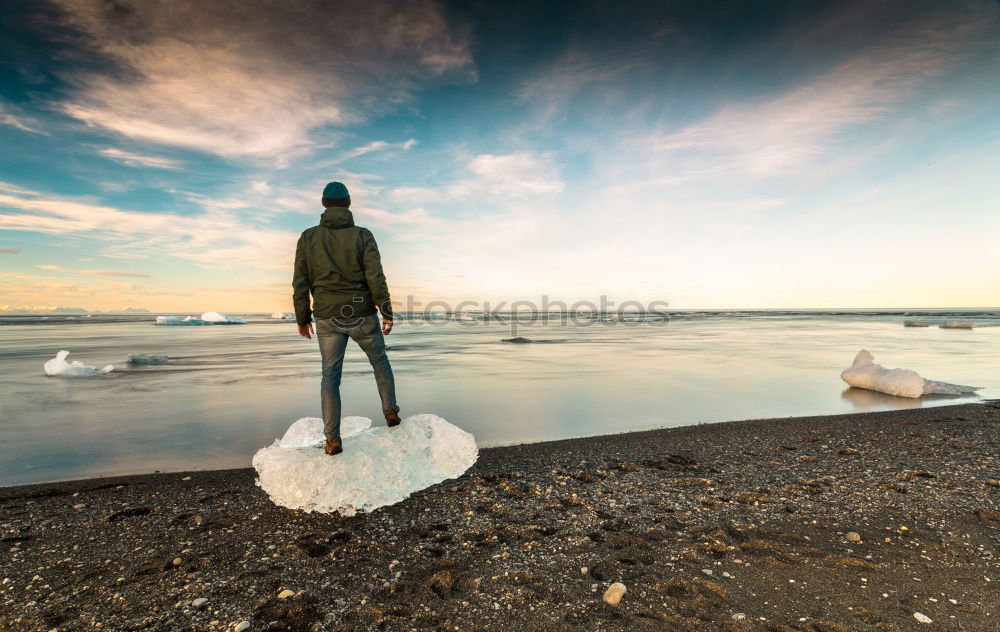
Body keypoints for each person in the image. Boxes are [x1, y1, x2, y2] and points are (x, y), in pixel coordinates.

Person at [292, 181, 400, 456]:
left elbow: (300, 283)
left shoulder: (307, 237)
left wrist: (302, 317)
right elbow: (375, 276)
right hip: (362, 313)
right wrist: (386, 310)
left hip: (327, 318)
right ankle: (390, 412)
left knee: (330, 376)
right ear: (349, 203)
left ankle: (333, 439)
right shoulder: (363, 235)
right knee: (379, 362)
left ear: (323, 204)